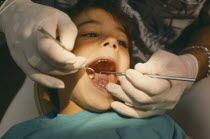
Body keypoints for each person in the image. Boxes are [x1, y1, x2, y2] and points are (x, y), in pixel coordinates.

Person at [1, 1, 188, 138]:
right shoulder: (22, 134)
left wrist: (191, 65)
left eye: (122, 42)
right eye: (90, 33)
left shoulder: (157, 123)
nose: (112, 42)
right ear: (53, 58)